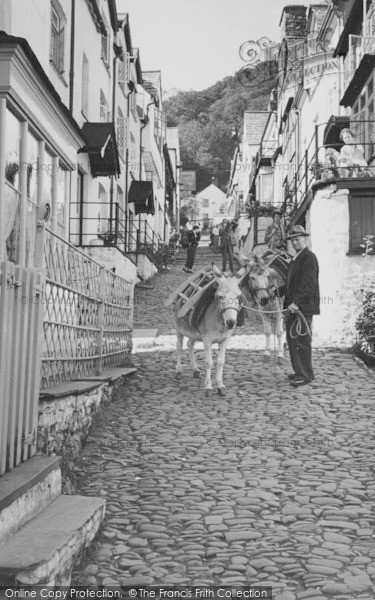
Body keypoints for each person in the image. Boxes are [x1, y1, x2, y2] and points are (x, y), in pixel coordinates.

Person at [284, 225, 320, 387]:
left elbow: (308, 284)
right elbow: (291, 284)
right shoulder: (296, 258)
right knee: (293, 341)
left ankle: (305, 375)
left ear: (305, 239)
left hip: (302, 307)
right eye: (292, 240)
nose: (295, 242)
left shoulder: (309, 257)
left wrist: (296, 303)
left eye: (298, 239)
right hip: (293, 307)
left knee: (301, 341)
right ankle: (300, 371)